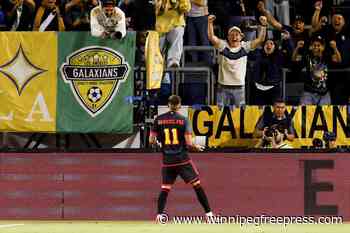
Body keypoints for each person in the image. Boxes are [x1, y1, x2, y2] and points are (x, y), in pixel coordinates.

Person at [149, 95, 213, 222]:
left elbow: (151, 141)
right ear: (179, 105)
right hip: (182, 160)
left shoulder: (158, 120)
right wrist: (197, 147)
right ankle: (209, 215)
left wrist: (159, 144)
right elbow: (189, 143)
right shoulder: (184, 120)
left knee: (165, 189)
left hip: (167, 161)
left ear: (168, 104)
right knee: (197, 186)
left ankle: (159, 215)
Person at [208, 14, 268, 106]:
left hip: (239, 88)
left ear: (241, 37)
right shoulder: (222, 45)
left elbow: (261, 39)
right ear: (228, 37)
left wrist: (264, 25)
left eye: (236, 34)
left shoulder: (245, 46)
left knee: (239, 114)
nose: (234, 37)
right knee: (221, 114)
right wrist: (210, 23)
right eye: (231, 34)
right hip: (222, 87)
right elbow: (211, 37)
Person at [292, 35, 342, 105]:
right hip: (308, 92)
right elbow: (294, 59)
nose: (316, 47)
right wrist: (297, 47)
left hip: (324, 93)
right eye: (314, 45)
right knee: (304, 111)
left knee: (325, 113)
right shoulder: (307, 56)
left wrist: (335, 48)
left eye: (319, 45)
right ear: (311, 47)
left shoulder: (327, 56)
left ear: (323, 47)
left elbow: (339, 60)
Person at [251, 38, 292, 105]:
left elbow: (290, 55)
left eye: (271, 44)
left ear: (275, 47)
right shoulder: (257, 54)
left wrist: (287, 40)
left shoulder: (279, 56)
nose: (268, 45)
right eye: (266, 43)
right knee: (258, 111)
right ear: (263, 46)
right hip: (258, 88)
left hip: (273, 88)